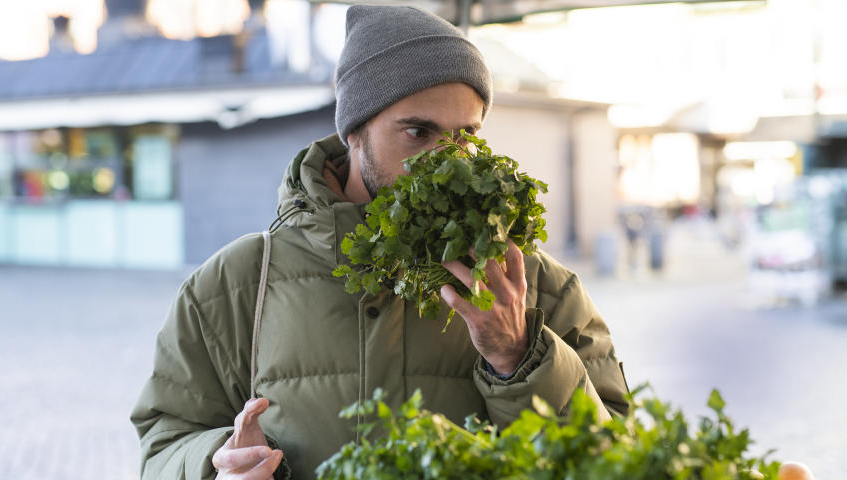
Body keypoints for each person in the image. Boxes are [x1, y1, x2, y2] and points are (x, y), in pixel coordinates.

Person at [130, 6, 630, 480]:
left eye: (467, 136)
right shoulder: (235, 284)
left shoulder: (537, 285)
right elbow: (165, 439)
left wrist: (519, 356)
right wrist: (216, 466)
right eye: (418, 132)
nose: (449, 161)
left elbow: (615, 459)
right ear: (354, 131)